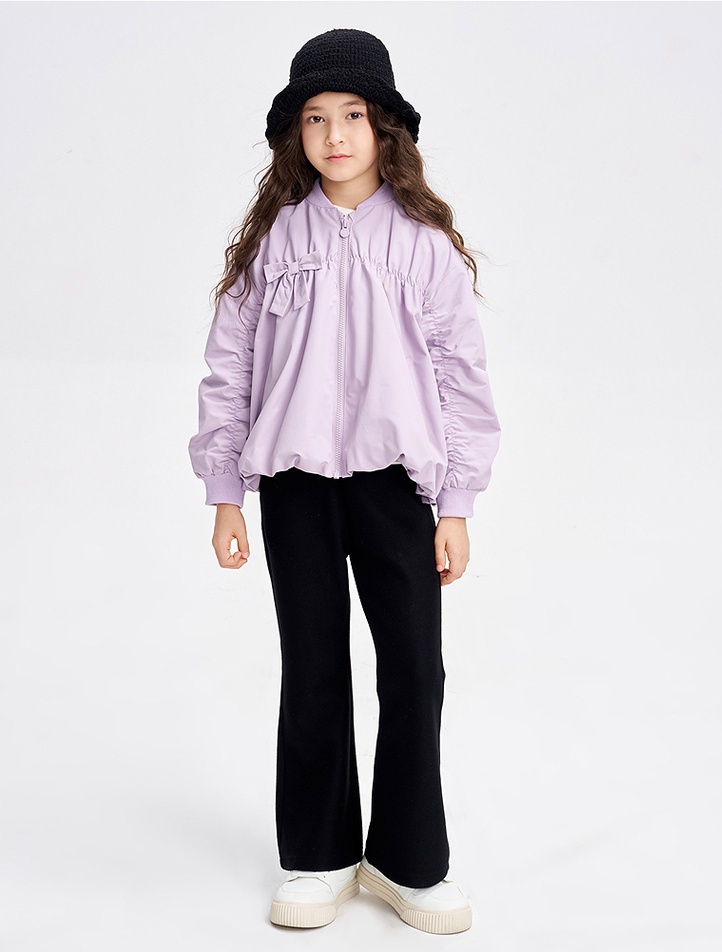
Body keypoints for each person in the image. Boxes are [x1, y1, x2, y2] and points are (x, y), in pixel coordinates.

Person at [187, 28, 501, 936]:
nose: (334, 135)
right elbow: (230, 369)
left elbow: (461, 376)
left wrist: (456, 504)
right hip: (293, 483)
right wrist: (223, 492)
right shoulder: (272, 244)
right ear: (296, 134)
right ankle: (320, 857)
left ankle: (408, 861)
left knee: (414, 668)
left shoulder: (424, 246)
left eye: (353, 116)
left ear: (385, 128)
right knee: (314, 663)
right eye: (316, 118)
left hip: (396, 485)